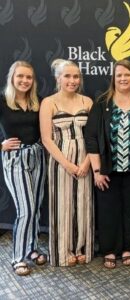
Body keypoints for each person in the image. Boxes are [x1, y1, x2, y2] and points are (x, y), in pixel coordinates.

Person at [85, 59, 130, 269]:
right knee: (108, 211)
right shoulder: (103, 103)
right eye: (119, 75)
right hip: (108, 170)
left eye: (127, 75)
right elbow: (92, 138)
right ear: (113, 78)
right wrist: (97, 170)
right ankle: (110, 250)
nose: (123, 78)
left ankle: (129, 248)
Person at [40, 59, 93, 267]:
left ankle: (80, 247)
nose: (72, 80)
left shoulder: (87, 102)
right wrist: (67, 164)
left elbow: (94, 136)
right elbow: (46, 139)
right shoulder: (49, 102)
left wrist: (87, 162)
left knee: (83, 203)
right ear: (58, 78)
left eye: (76, 76)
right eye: (68, 76)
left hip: (85, 160)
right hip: (60, 162)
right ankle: (64, 250)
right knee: (62, 206)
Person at [0, 61, 46, 276]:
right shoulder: (2, 101)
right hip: (15, 160)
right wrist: (0, 144)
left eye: (29, 77)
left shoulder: (38, 101)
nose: (24, 81)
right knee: (25, 209)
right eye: (20, 76)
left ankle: (32, 248)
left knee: (35, 207)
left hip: (37, 157)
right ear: (12, 78)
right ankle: (18, 257)